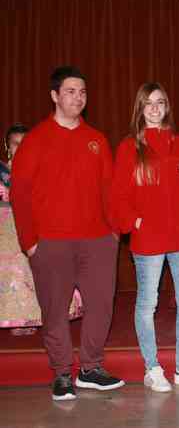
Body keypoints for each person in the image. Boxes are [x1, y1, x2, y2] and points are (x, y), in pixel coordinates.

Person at [10, 66, 124, 400]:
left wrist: (114, 233)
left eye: (83, 92)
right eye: (71, 91)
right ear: (55, 96)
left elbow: (109, 190)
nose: (78, 97)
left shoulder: (96, 139)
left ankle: (91, 368)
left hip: (98, 240)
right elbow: (20, 194)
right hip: (51, 242)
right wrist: (30, 243)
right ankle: (62, 373)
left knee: (101, 306)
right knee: (55, 311)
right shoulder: (35, 140)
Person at [111, 82, 179, 392]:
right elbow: (117, 194)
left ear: (167, 107)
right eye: (149, 103)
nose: (155, 108)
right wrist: (135, 222)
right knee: (148, 304)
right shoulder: (129, 147)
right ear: (140, 109)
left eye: (160, 102)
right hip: (149, 240)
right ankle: (152, 368)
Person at [1, 124, 82, 336]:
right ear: (7, 146)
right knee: (14, 270)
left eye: (25, 143)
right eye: (16, 143)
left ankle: (41, 315)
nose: (21, 147)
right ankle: (17, 319)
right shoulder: (1, 172)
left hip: (33, 227)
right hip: (5, 231)